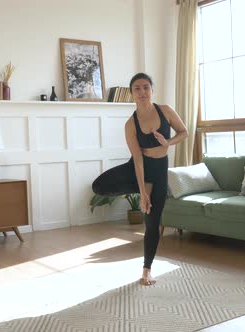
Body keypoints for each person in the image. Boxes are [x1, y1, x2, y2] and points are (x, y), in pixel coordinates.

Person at [92, 73, 187, 286]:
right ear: (132, 93)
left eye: (146, 87)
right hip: (138, 168)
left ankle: (147, 271)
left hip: (159, 171)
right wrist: (143, 192)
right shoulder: (131, 124)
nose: (142, 92)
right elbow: (137, 159)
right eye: (137, 88)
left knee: (152, 224)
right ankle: (141, 189)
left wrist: (168, 141)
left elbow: (184, 132)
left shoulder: (165, 110)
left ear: (152, 89)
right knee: (99, 186)